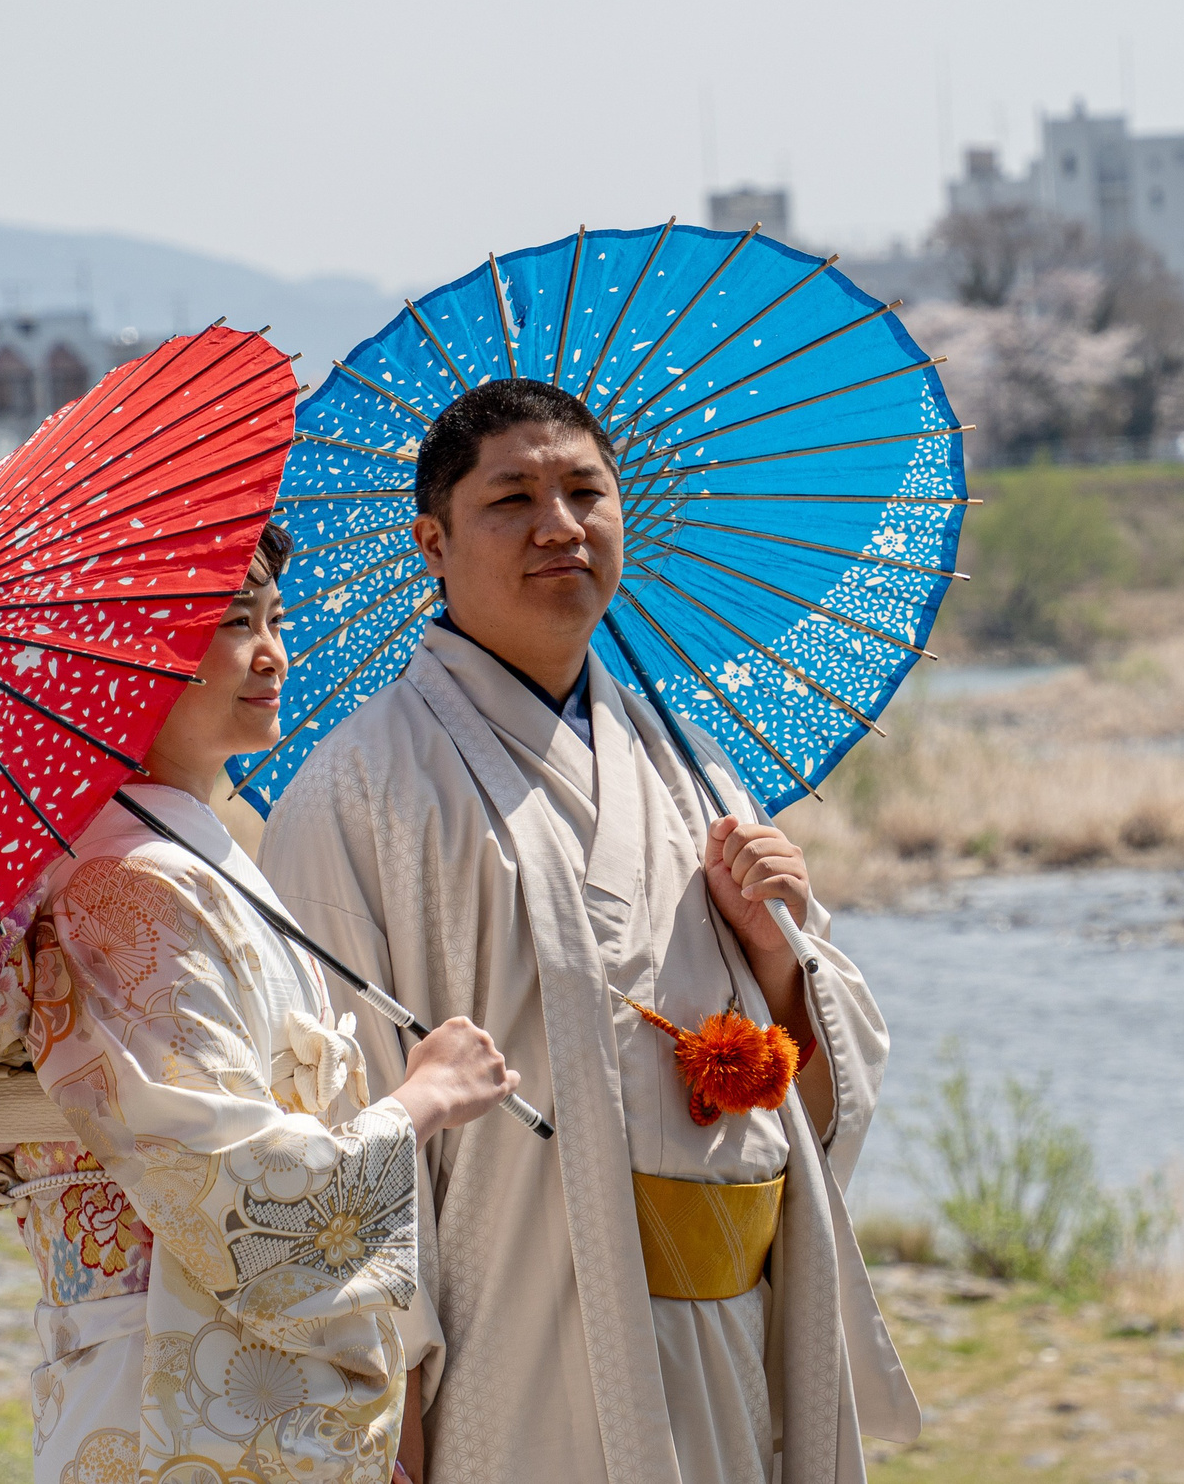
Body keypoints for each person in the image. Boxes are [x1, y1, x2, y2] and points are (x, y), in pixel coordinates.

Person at [261, 380, 919, 1484]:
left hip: (728, 1329)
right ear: (432, 539)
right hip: (511, 1326)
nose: (558, 525)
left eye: (584, 491)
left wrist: (777, 953)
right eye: (510, 497)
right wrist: (388, 1401)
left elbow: (827, 1070)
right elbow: (337, 1106)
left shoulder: (694, 766)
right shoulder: (358, 789)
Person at [0, 522, 516, 1484]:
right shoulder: (134, 887)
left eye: (275, 619)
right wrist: (422, 1100)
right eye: (228, 624)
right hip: (175, 1376)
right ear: (129, 666)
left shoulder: (154, 860)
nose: (272, 653)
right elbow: (234, 1190)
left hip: (166, 1361)